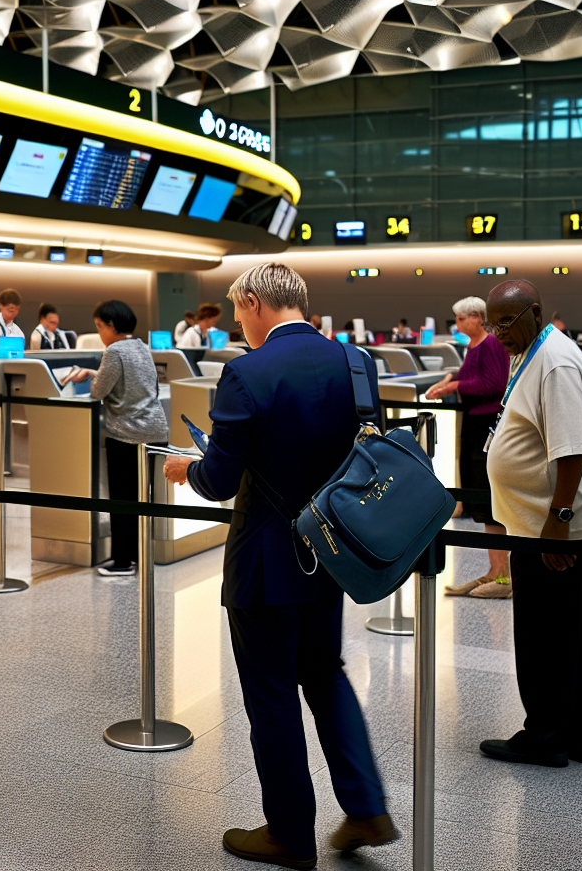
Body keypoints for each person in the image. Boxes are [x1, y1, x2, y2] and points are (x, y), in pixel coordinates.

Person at [162, 262, 393, 868]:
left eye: (239, 311)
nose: (238, 322)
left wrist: (191, 468)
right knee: (325, 673)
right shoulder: (355, 362)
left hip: (266, 558)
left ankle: (289, 833)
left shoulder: (245, 373)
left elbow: (219, 480)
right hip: (333, 550)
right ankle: (367, 805)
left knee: (271, 695)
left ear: (258, 303)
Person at [475, 278, 582, 770]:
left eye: (506, 322)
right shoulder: (531, 351)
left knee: (543, 633)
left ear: (535, 311)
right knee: (571, 632)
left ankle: (545, 735)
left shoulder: (554, 363)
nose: (498, 333)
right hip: (538, 520)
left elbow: (571, 450)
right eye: (492, 324)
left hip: (548, 526)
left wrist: (559, 521)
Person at [68, 301, 167, 576]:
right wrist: (95, 373)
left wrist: (91, 378)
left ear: (111, 326)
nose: (99, 332)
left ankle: (122, 561)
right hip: (155, 431)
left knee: (121, 500)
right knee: (142, 498)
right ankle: (140, 554)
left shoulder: (113, 350)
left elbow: (98, 392)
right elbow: (147, 385)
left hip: (126, 434)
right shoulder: (141, 346)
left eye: (100, 326)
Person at [425, 297, 511, 599]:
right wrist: (450, 380)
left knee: (488, 501)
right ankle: (494, 570)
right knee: (479, 499)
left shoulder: (490, 345)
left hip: (486, 423)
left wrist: (455, 387)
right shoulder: (475, 346)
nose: (458, 325)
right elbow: (467, 375)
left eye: (462, 319)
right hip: (474, 423)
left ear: (476, 317)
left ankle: (503, 576)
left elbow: (494, 384)